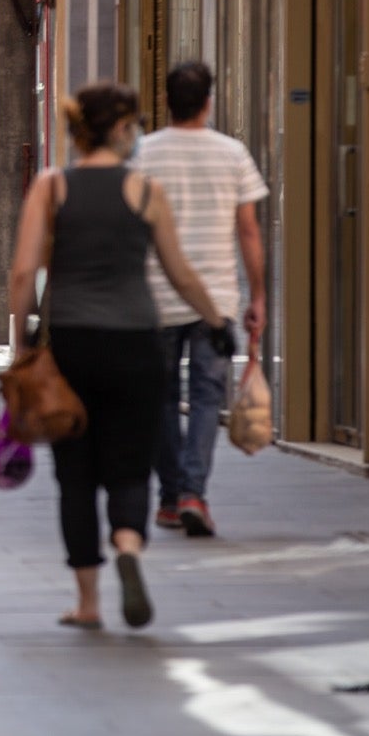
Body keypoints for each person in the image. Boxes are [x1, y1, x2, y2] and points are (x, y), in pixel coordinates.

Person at [7, 81, 228, 631]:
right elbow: (179, 273)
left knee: (76, 473)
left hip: (71, 347)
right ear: (124, 129)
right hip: (137, 344)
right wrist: (216, 321)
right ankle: (128, 544)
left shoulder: (52, 187)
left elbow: (22, 272)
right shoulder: (146, 190)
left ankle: (87, 603)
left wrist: (20, 344)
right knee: (131, 461)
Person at [136, 62, 268, 538]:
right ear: (208, 102)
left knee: (162, 397)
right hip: (216, 299)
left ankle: (170, 498)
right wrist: (258, 296)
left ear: (166, 101)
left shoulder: (143, 154)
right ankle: (193, 493)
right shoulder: (232, 154)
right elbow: (248, 231)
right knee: (208, 396)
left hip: (157, 297)